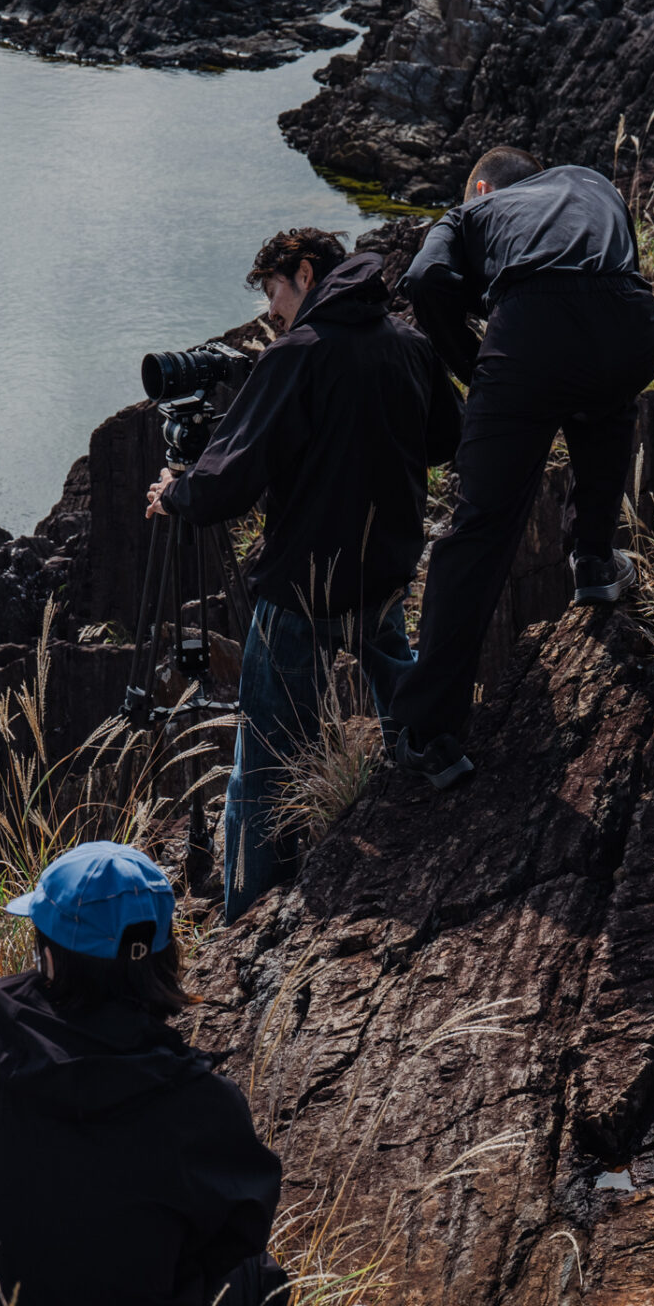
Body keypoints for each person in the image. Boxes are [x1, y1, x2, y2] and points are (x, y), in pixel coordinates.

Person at [0, 841, 286, 1306]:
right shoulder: (201, 1104)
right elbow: (237, 1232)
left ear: (53, 956)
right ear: (162, 959)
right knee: (257, 1276)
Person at [144, 229, 457, 922]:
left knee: (265, 765)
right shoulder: (407, 343)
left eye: (275, 293)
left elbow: (228, 484)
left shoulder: (299, 355)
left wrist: (176, 490)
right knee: (400, 693)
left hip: (301, 592)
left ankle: (250, 911)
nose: (272, 313)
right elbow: (445, 436)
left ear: (307, 273)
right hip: (383, 574)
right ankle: (434, 780)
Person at [388, 147, 654, 791]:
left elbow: (426, 281)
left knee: (480, 529)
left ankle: (428, 735)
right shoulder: (594, 178)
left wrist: (474, 366)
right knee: (605, 405)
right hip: (632, 320)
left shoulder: (468, 212)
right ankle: (595, 562)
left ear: (481, 188)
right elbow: (614, 264)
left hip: (529, 336)